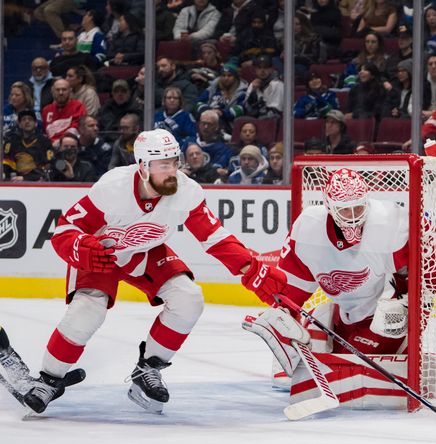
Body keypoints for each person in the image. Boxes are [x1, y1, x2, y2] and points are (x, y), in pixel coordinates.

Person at [15, 129, 285, 414]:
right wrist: (82, 247)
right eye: (164, 164)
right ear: (143, 166)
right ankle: (49, 380)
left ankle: (148, 370)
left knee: (188, 298)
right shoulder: (112, 188)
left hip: (144, 251)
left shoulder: (187, 191)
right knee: (88, 311)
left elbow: (214, 236)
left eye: (174, 161)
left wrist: (250, 267)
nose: (173, 171)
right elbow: (65, 230)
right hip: (102, 254)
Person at [243, 168, 412, 394]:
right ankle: (314, 325)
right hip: (345, 311)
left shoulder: (390, 222)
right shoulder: (308, 227)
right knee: (333, 369)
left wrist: (408, 304)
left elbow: (423, 271)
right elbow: (291, 291)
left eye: (358, 208)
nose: (352, 218)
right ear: (329, 206)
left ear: (367, 202)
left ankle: (406, 347)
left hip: (379, 315)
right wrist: (282, 322)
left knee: (347, 374)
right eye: (345, 210)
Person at [2, 110, 54, 181]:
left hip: (38, 181)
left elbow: (48, 165)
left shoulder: (45, 142)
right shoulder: (11, 141)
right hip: (15, 180)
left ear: (36, 123)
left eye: (30, 119)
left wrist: (26, 178)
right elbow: (7, 164)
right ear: (19, 124)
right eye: (23, 120)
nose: (27, 121)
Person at [42, 79, 87, 145]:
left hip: (70, 145)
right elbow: (44, 133)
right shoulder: (46, 110)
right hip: (50, 147)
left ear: (70, 91)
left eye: (64, 89)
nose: (61, 93)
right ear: (52, 91)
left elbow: (76, 129)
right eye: (57, 90)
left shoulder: (78, 106)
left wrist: (59, 142)